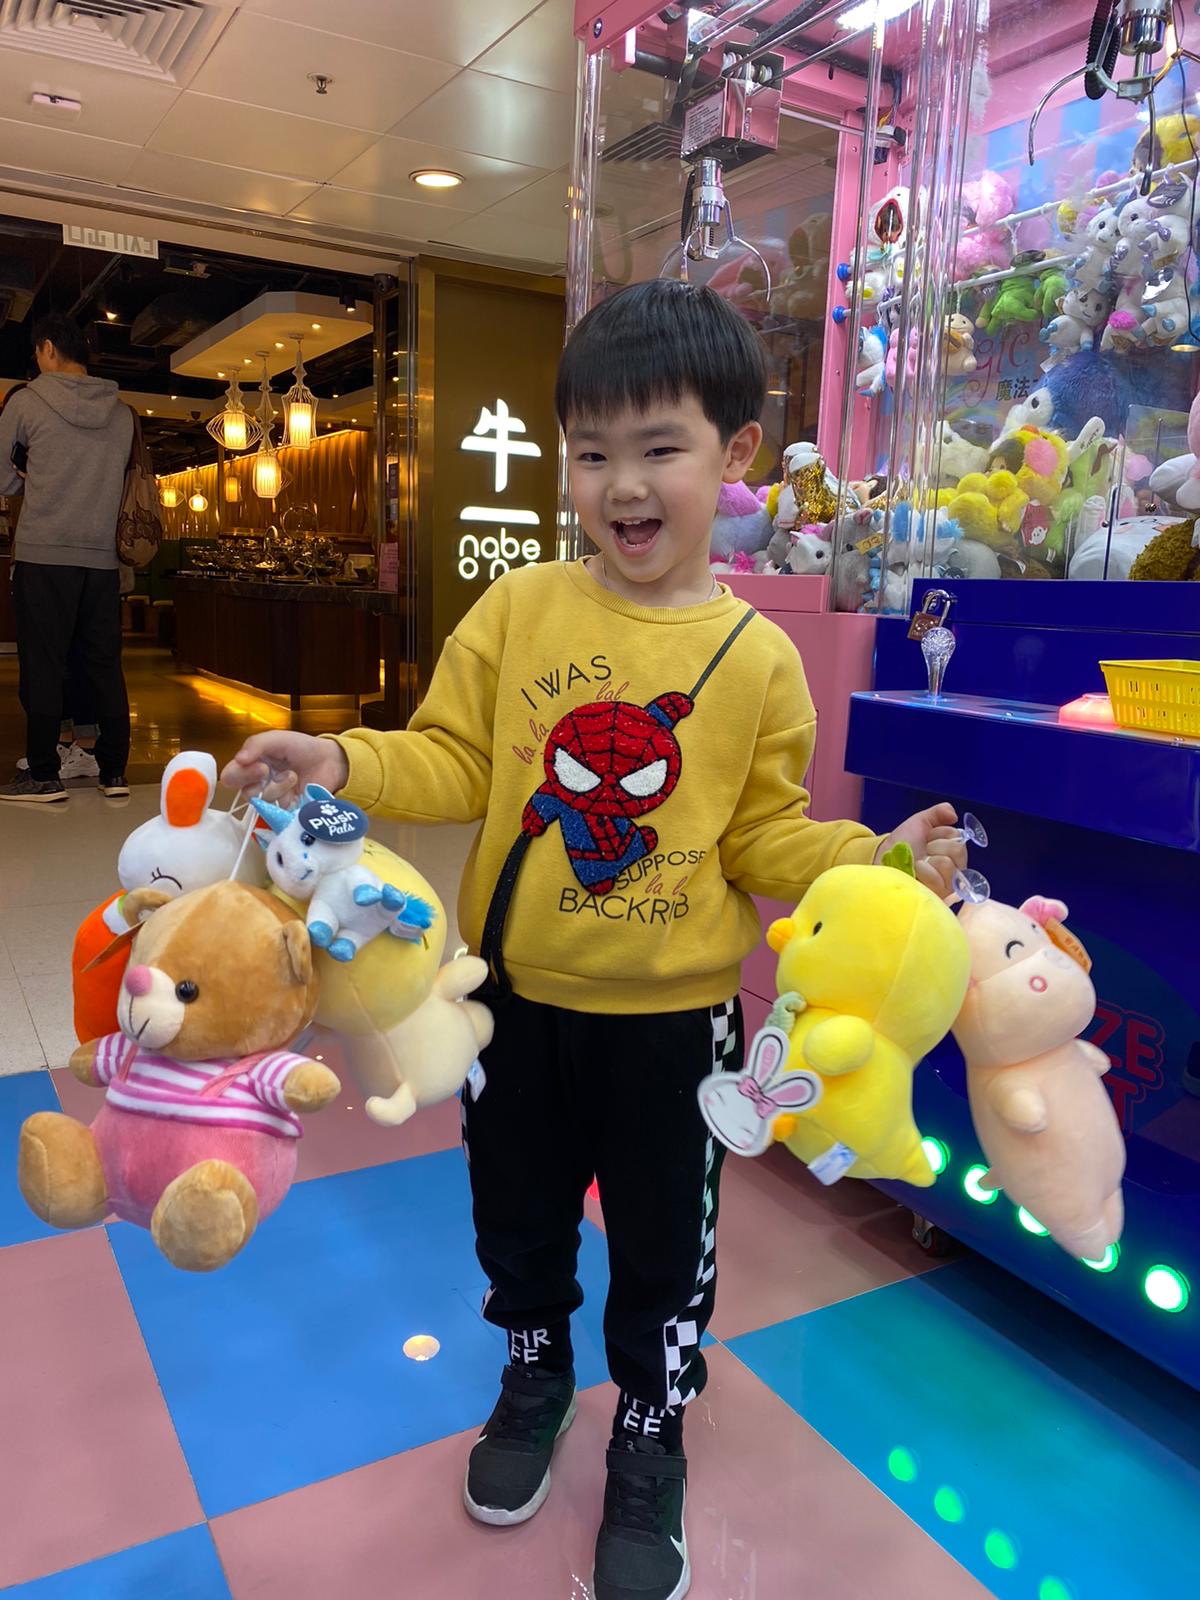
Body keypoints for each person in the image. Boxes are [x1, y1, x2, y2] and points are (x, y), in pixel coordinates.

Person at [222, 280, 966, 1600]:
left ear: (736, 454)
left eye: (659, 447)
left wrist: (879, 859)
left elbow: (766, 838)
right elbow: (454, 758)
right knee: (515, 1221)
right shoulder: (521, 610)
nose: (622, 485)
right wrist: (341, 759)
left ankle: (650, 1428)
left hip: (678, 1029)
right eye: (591, 453)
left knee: (667, 1252)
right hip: (511, 1002)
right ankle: (533, 1375)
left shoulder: (757, 661)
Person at [0, 313, 133, 803]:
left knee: (43, 663)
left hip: (44, 553)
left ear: (49, 348)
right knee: (103, 664)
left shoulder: (26, 401)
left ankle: (43, 774)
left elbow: (0, 477)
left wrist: (27, 480)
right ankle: (114, 773)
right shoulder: (122, 412)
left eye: (37, 352)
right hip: (101, 560)